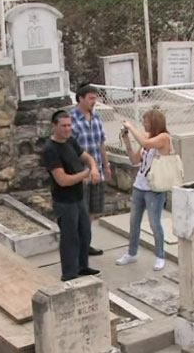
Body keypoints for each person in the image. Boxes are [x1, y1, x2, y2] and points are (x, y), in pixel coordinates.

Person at [42, 110, 101, 281]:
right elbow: (62, 180)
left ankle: (82, 267)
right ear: (54, 126)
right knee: (70, 238)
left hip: (78, 198)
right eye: (63, 126)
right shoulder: (50, 150)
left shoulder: (71, 141)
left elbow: (87, 157)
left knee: (85, 233)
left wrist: (94, 167)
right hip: (64, 201)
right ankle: (69, 274)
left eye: (69, 125)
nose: (67, 129)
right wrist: (85, 174)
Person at [115, 110, 172, 271]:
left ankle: (160, 255)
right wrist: (126, 141)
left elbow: (146, 144)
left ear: (154, 123)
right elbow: (135, 160)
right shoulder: (147, 139)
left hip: (154, 188)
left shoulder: (164, 138)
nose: (144, 125)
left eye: (146, 122)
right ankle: (131, 253)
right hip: (140, 185)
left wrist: (131, 127)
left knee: (155, 223)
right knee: (134, 221)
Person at [70, 84, 110, 256]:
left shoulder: (96, 117)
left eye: (95, 98)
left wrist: (106, 166)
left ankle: (86, 244)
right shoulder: (71, 119)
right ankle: (78, 245)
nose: (94, 101)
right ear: (81, 98)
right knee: (80, 212)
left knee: (93, 211)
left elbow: (101, 143)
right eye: (91, 98)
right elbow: (69, 149)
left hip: (97, 172)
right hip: (82, 173)